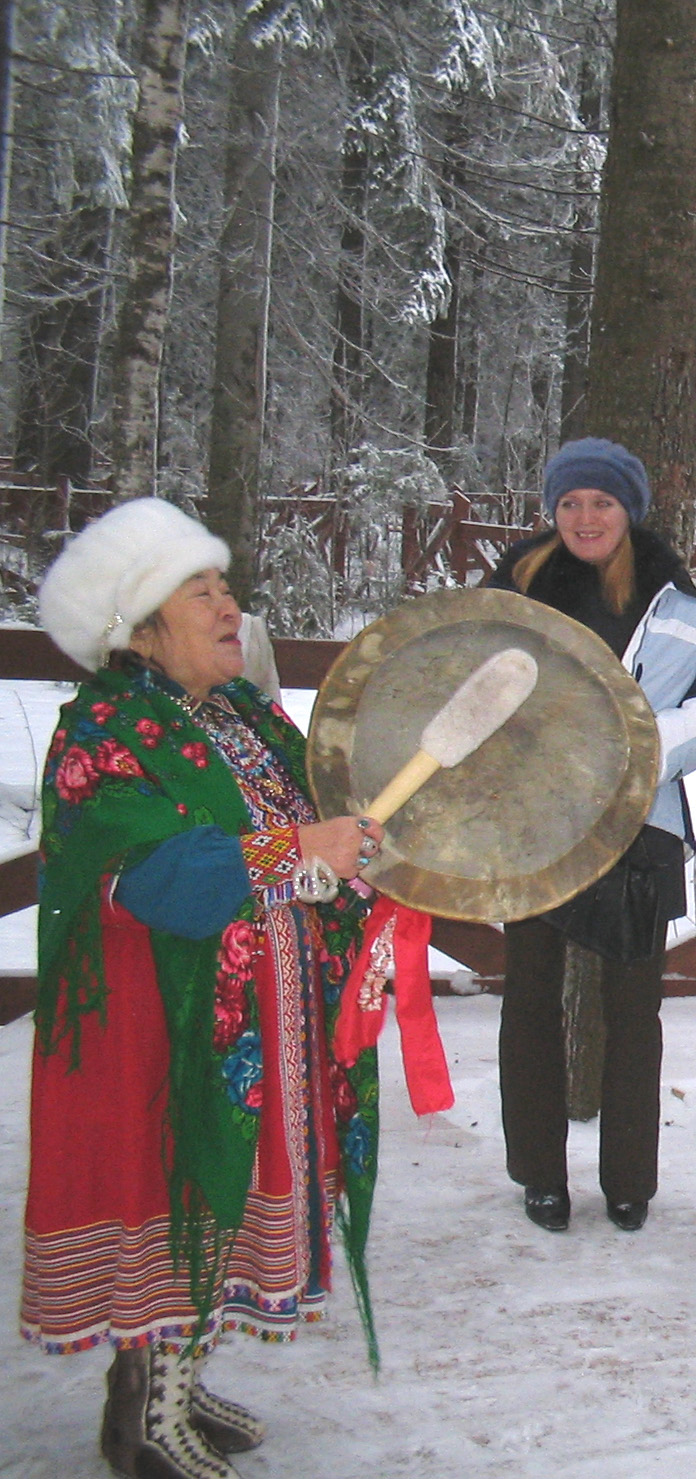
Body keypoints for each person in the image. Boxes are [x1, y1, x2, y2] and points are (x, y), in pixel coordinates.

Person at [23, 499, 387, 1479]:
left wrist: (341, 852)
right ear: (143, 625)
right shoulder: (104, 733)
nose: (230, 607)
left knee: (224, 1200)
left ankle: (174, 1377)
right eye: (202, 592)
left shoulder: (239, 717)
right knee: (170, 1189)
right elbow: (149, 875)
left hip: (254, 1020)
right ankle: (144, 1414)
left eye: (228, 588)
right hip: (156, 1025)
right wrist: (294, 849)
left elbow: (301, 828)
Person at [489, 437, 696, 1234]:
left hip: (638, 823)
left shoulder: (672, 601)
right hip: (532, 825)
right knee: (529, 998)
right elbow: (464, 689)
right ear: (551, 510)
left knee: (632, 1008)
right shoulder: (511, 591)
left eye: (601, 502)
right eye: (570, 503)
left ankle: (629, 1180)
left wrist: (624, 758)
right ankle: (538, 1172)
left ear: (626, 509)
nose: (585, 517)